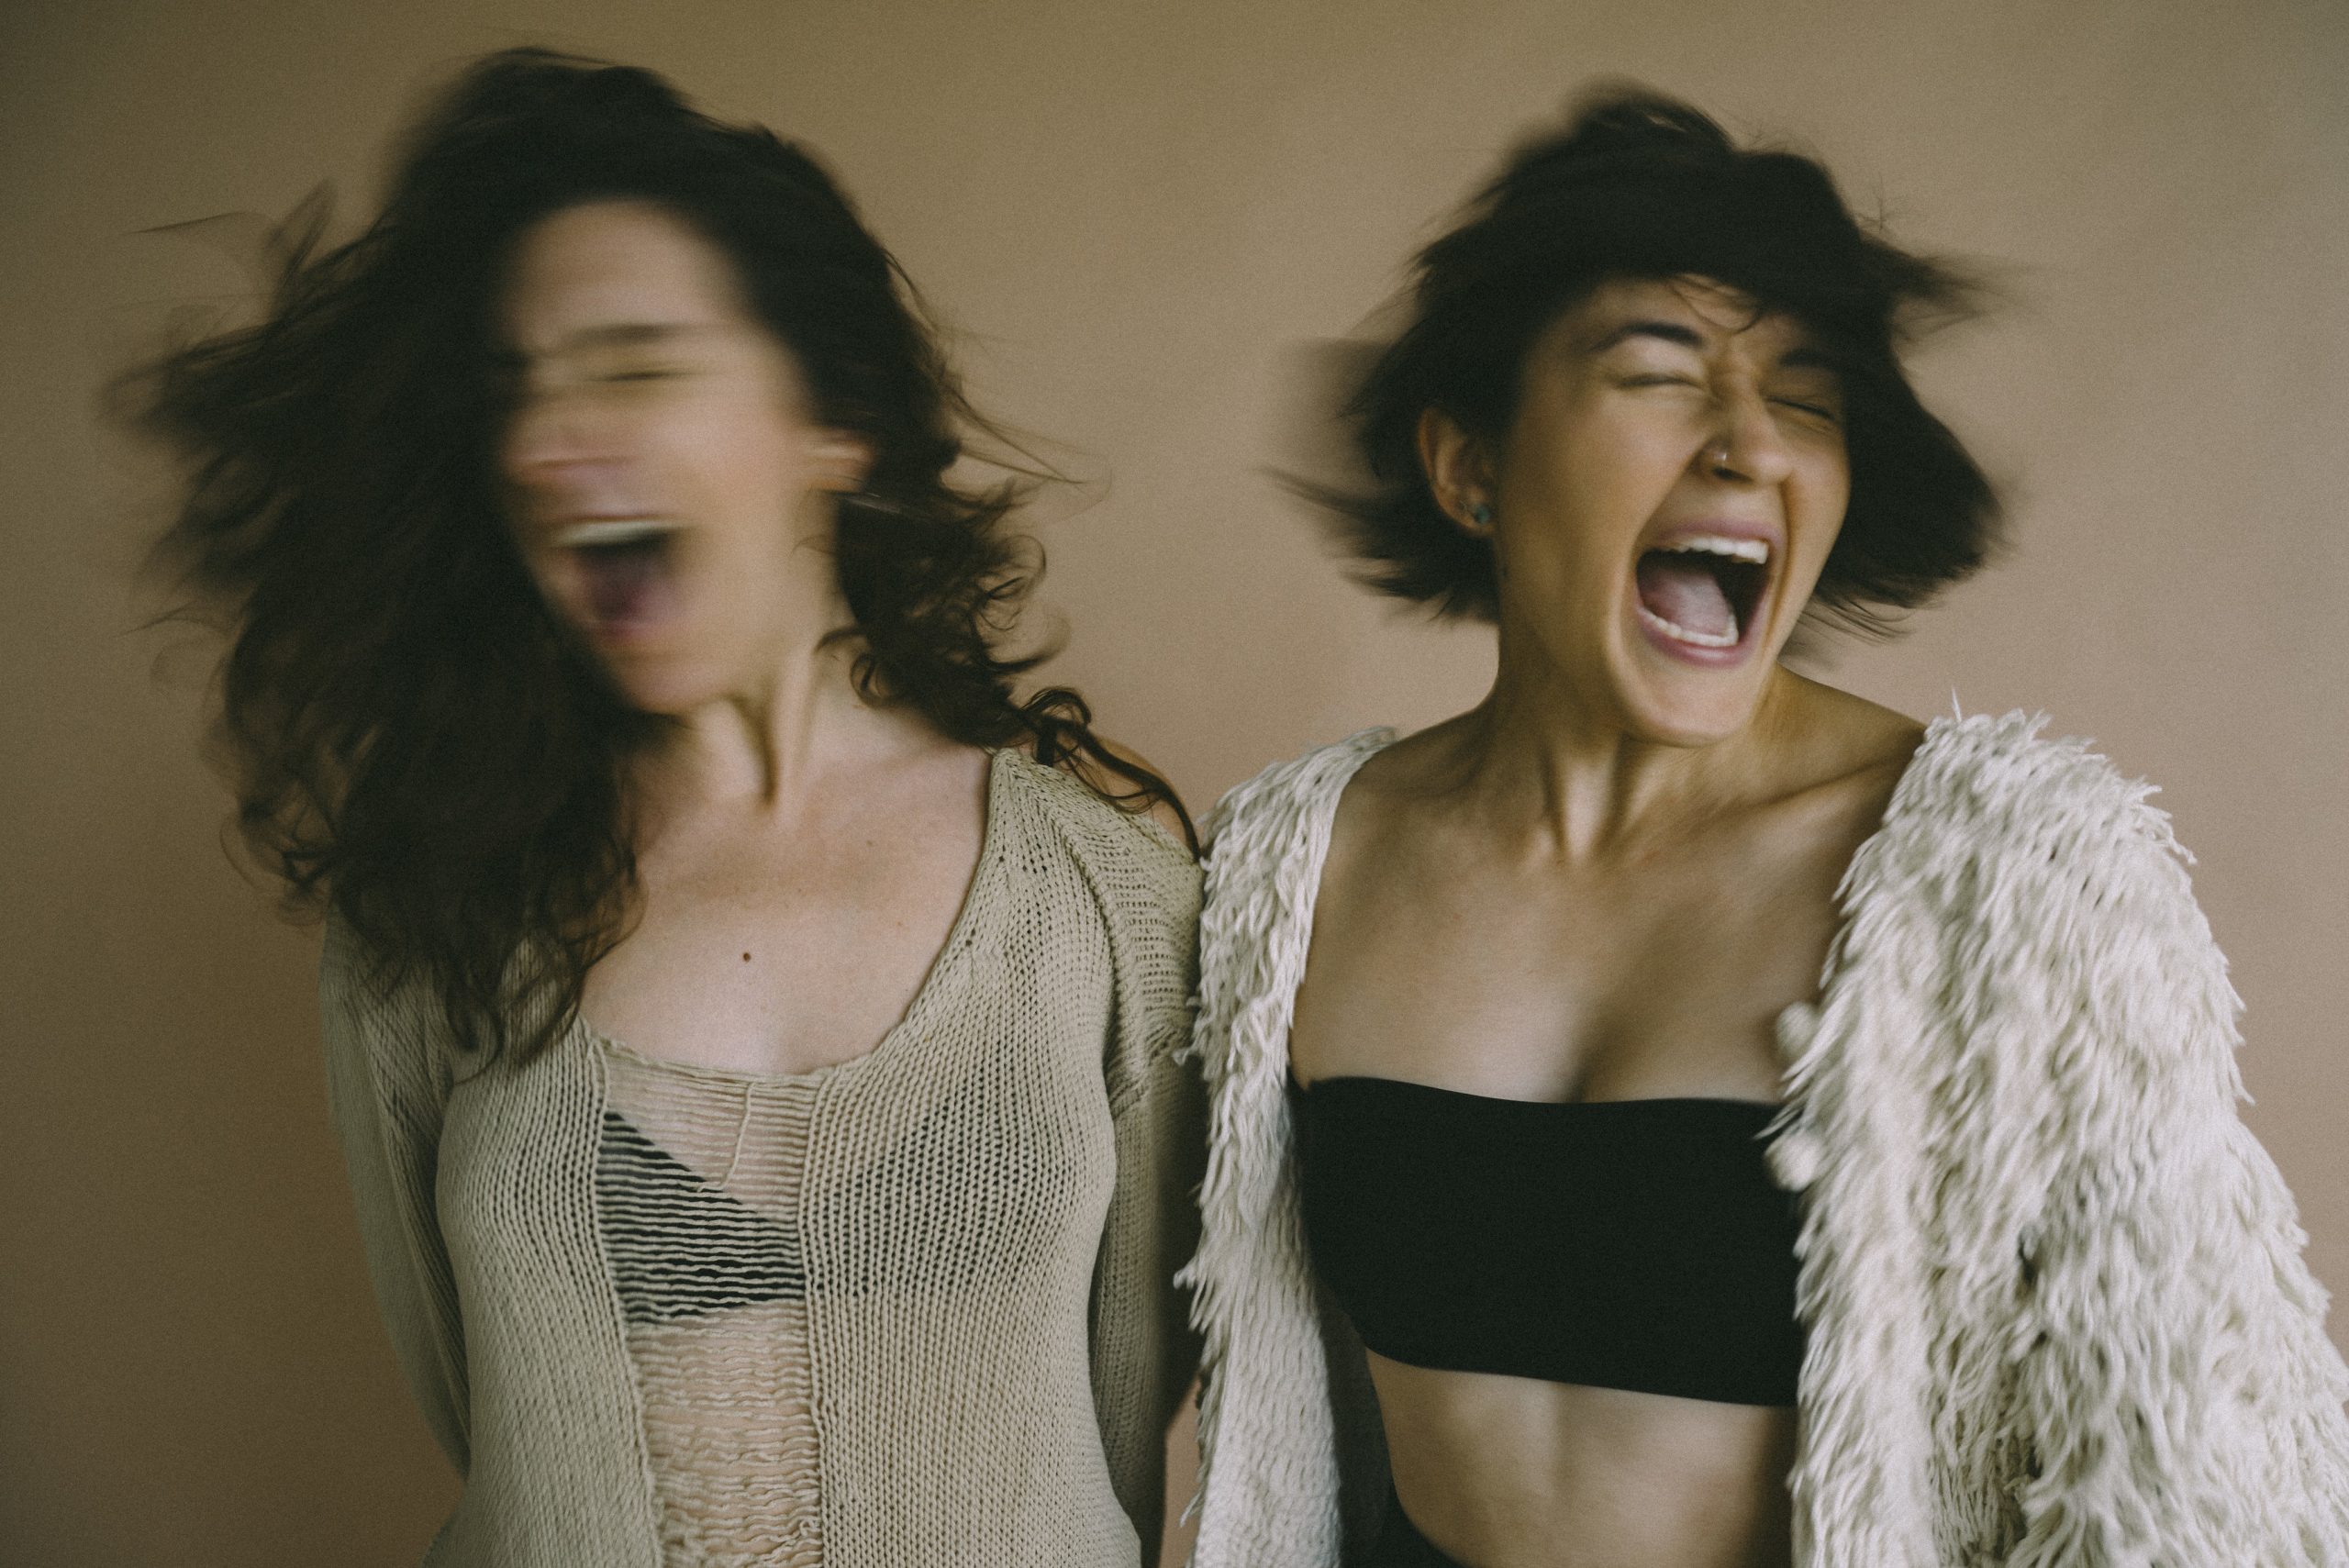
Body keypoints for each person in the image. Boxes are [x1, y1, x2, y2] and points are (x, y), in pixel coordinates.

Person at [1178, 90, 2349, 1567]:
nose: (1748, 444)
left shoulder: (2009, 877)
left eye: (1805, 397)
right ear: (1468, 464)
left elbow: (2193, 1478)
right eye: (1658, 374)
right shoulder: (1298, 864)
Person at [133, 49, 1204, 1568]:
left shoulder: (1105, 895)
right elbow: (484, 1418)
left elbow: (1127, 1413)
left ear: (833, 421)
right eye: (515, 391)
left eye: (634, 364)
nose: (545, 444)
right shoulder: (431, 912)